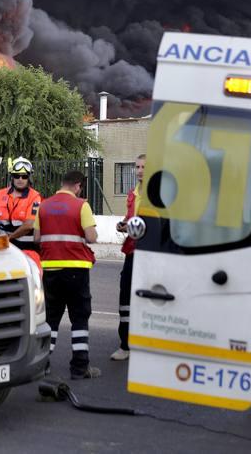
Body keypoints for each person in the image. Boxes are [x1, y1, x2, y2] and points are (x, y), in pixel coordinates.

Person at [34, 169, 100, 380]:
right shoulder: (82, 205)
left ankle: (43, 364)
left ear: (63, 183)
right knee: (79, 318)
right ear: (78, 186)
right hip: (76, 270)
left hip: (51, 271)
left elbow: (37, 238)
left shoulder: (43, 206)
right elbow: (91, 237)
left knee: (51, 318)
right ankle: (80, 367)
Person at [111, 153, 145, 361]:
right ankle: (125, 345)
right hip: (132, 250)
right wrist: (122, 225)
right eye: (137, 167)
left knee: (147, 298)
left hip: (150, 253)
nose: (140, 170)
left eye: (144, 167)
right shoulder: (132, 194)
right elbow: (130, 219)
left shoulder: (157, 194)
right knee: (125, 296)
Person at [0, 158, 42, 251]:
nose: (20, 179)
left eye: (24, 176)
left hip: (25, 248)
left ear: (29, 178)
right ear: (12, 177)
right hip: (2, 243)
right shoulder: (1, 193)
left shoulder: (35, 197)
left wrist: (9, 238)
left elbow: (29, 225)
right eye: (17, 176)